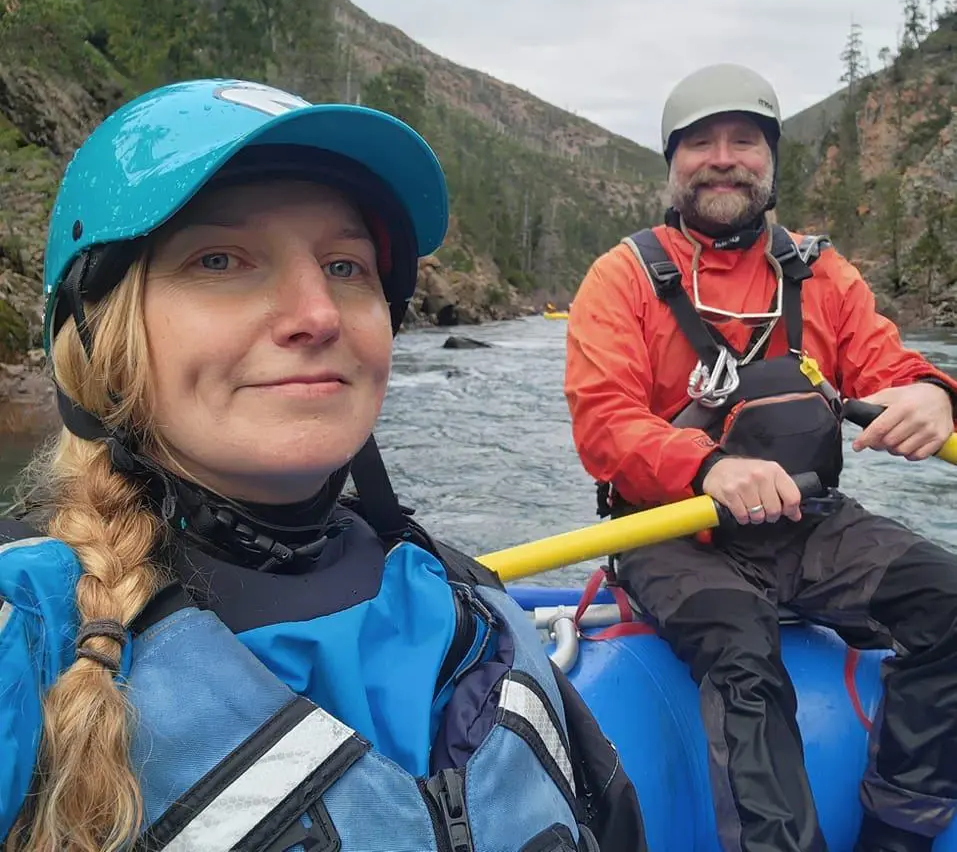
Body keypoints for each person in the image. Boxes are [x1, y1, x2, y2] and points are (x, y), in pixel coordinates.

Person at [0, 78, 644, 852]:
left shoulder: (475, 610)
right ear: (98, 337)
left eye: (345, 267)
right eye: (220, 259)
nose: (317, 315)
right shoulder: (29, 635)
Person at [563, 62, 957, 852]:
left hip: (806, 524)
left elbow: (890, 368)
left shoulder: (818, 273)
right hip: (668, 528)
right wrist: (707, 468)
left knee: (946, 599)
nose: (722, 157)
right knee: (740, 646)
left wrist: (931, 394)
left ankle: (900, 830)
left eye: (743, 140)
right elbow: (603, 421)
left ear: (768, 162)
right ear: (672, 163)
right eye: (699, 142)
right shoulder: (621, 278)